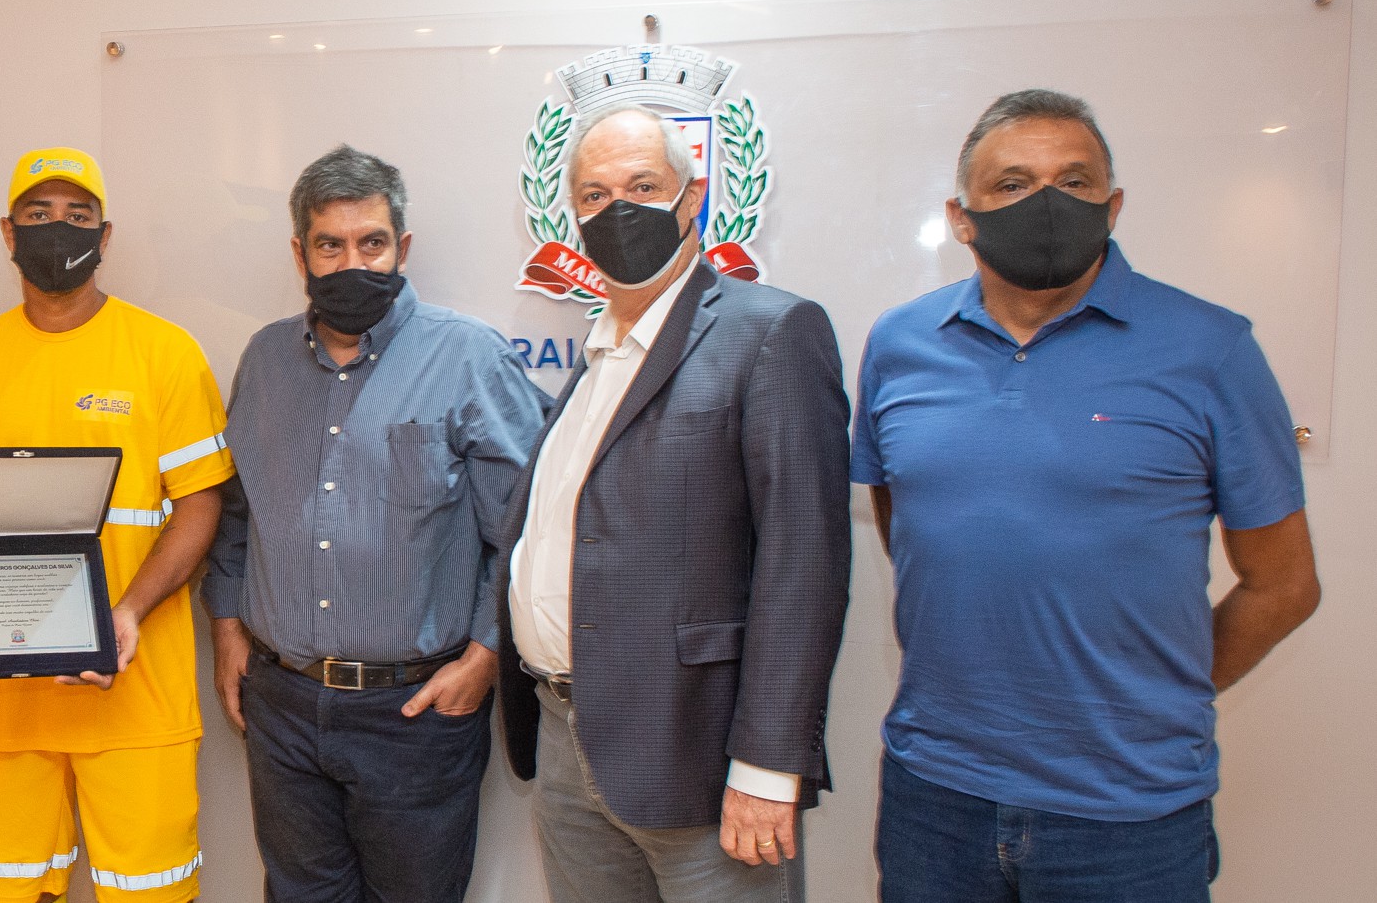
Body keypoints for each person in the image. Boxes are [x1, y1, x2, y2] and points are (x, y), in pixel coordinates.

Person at [854, 88, 1321, 902]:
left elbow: (1283, 585)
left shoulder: (1210, 348)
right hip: (934, 798)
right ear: (960, 217)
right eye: (1010, 183)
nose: (1045, 203)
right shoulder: (898, 344)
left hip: (1128, 816)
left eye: (1072, 182)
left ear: (1113, 205)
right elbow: (910, 522)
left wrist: (1157, 697)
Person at [495, 103, 851, 903]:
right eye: (593, 196)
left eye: (642, 186)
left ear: (691, 199)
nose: (616, 210)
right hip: (564, 743)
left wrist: (766, 766)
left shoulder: (769, 332)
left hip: (696, 759)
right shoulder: (597, 353)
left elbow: (804, 565)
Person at [0, 147, 233, 903]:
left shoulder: (165, 354)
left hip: (133, 694)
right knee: (13, 892)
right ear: (7, 232)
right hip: (3, 705)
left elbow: (201, 504)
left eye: (77, 215)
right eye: (38, 214)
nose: (57, 228)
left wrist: (126, 614)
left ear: (104, 237)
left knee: (148, 893)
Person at [202, 144, 547, 902]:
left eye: (372, 243)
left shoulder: (468, 357)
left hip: (414, 716)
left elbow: (528, 532)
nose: (352, 263)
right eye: (330, 245)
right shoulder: (264, 359)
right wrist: (227, 628)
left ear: (403, 248)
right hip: (283, 708)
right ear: (300, 252)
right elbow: (236, 513)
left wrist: (486, 656)